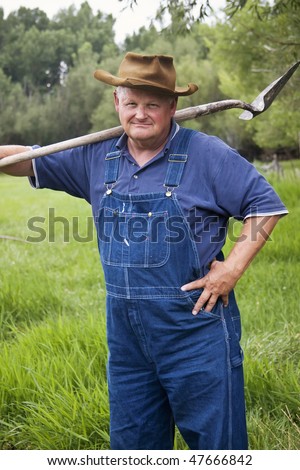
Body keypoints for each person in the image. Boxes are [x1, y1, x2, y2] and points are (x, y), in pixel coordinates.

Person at [0, 52, 288, 450]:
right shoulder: (96, 156)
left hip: (194, 334)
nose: (140, 114)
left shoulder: (207, 154)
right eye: (131, 103)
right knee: (134, 449)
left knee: (218, 449)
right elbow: (25, 161)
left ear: (172, 107)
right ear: (117, 103)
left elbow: (266, 205)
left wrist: (231, 269)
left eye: (152, 104)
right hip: (127, 345)